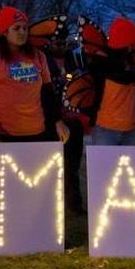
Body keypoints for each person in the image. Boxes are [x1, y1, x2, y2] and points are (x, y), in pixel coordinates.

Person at [0, 6, 68, 144]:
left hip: (37, 131)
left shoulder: (39, 56)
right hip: (3, 134)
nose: (22, 32)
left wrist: (58, 121)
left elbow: (48, 93)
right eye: (16, 28)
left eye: (25, 28)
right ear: (5, 32)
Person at [44, 24, 87, 213]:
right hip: (51, 119)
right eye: (56, 42)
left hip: (73, 118)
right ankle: (50, 204)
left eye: (63, 42)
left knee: (72, 164)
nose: (60, 46)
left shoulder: (74, 60)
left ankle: (73, 204)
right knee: (50, 164)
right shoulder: (43, 60)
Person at [86, 17, 135, 146]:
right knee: (105, 165)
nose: (134, 46)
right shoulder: (101, 62)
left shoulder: (130, 63)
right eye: (132, 42)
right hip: (106, 127)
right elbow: (120, 76)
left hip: (129, 127)